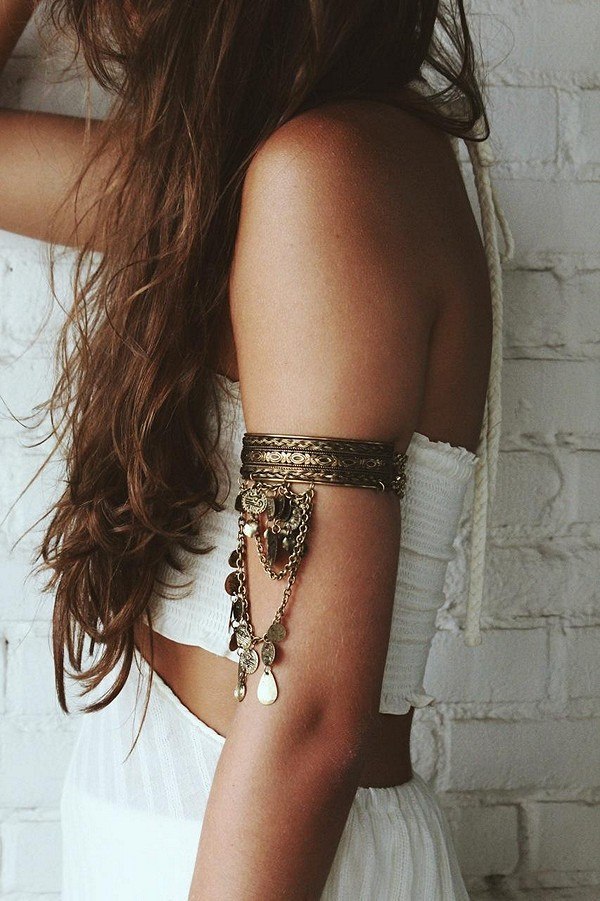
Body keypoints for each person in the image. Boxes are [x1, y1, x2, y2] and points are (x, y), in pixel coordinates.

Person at [1, 1, 513, 898]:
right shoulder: (249, 172)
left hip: (272, 863)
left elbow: (308, 721)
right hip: (183, 843)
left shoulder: (330, 174)